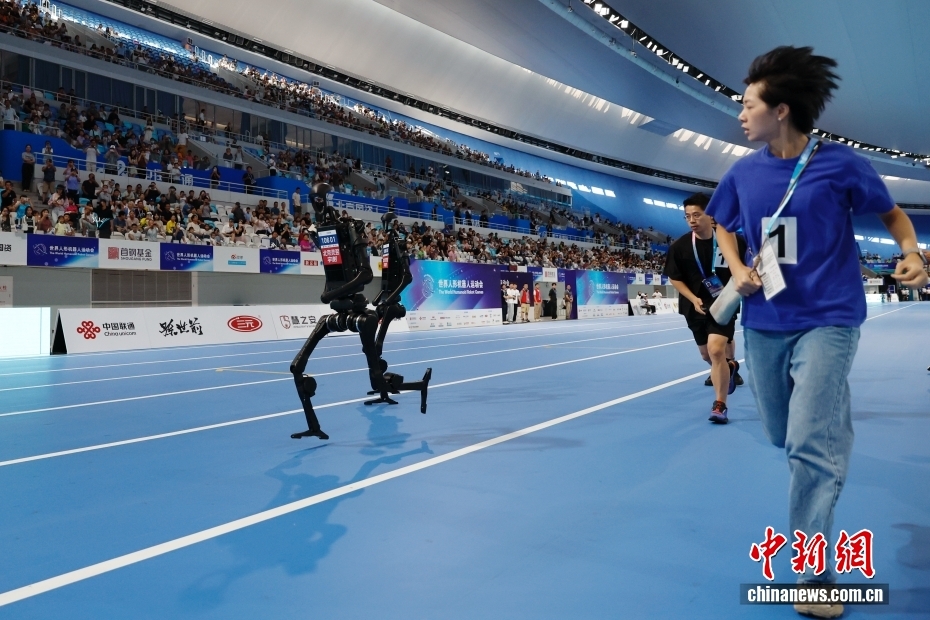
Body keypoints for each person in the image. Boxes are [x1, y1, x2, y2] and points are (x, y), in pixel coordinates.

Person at [708, 46, 929, 618]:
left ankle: (813, 577)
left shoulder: (841, 164)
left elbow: (893, 215)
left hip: (829, 320)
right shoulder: (743, 172)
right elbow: (721, 224)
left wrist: (912, 253)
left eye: (748, 105)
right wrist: (734, 266)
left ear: (781, 110)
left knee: (809, 446)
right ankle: (829, 425)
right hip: (765, 323)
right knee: (782, 434)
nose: (740, 114)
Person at [664, 192, 746, 424]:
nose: (691, 220)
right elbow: (674, 277)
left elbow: (744, 266)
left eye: (697, 215)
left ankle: (720, 405)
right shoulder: (679, 246)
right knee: (706, 355)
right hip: (694, 306)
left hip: (724, 303)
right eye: (687, 216)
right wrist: (693, 298)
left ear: (710, 215)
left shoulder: (732, 240)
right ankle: (728, 368)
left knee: (717, 349)